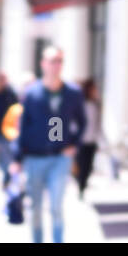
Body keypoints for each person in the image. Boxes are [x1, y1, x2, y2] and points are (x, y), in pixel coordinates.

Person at [11, 46, 86, 244]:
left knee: (56, 205)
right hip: (34, 157)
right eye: (52, 61)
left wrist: (73, 144)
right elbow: (23, 126)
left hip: (60, 156)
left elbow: (83, 122)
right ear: (43, 63)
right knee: (35, 206)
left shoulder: (72, 93)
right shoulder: (32, 93)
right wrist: (17, 157)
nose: (56, 65)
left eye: (60, 61)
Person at [76, 78, 103, 198]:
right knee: (80, 166)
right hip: (80, 141)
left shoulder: (96, 104)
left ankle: (82, 186)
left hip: (91, 140)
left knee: (88, 167)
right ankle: (80, 185)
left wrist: (101, 141)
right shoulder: (79, 104)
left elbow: (97, 124)